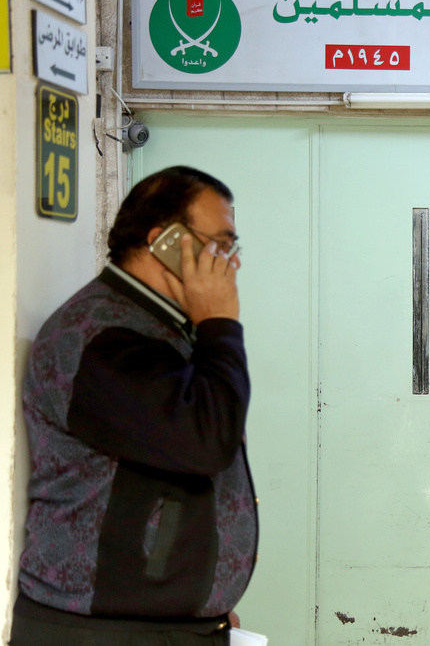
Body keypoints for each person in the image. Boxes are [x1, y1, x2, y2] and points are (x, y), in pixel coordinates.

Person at [11, 166, 257, 645]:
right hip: (106, 633)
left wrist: (207, 606)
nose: (230, 263)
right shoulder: (100, 341)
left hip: (159, 626)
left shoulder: (156, 327)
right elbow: (207, 441)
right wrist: (220, 323)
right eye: (220, 244)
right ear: (165, 241)